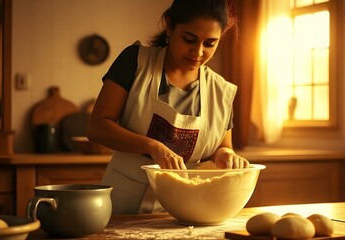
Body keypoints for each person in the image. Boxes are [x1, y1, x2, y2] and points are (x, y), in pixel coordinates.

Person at [87, 0, 249, 215]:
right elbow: (97, 127)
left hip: (184, 207)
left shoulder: (221, 90)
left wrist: (226, 154)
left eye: (210, 43)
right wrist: (153, 146)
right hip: (123, 199)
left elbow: (222, 147)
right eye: (189, 39)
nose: (198, 52)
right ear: (169, 26)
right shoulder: (136, 62)